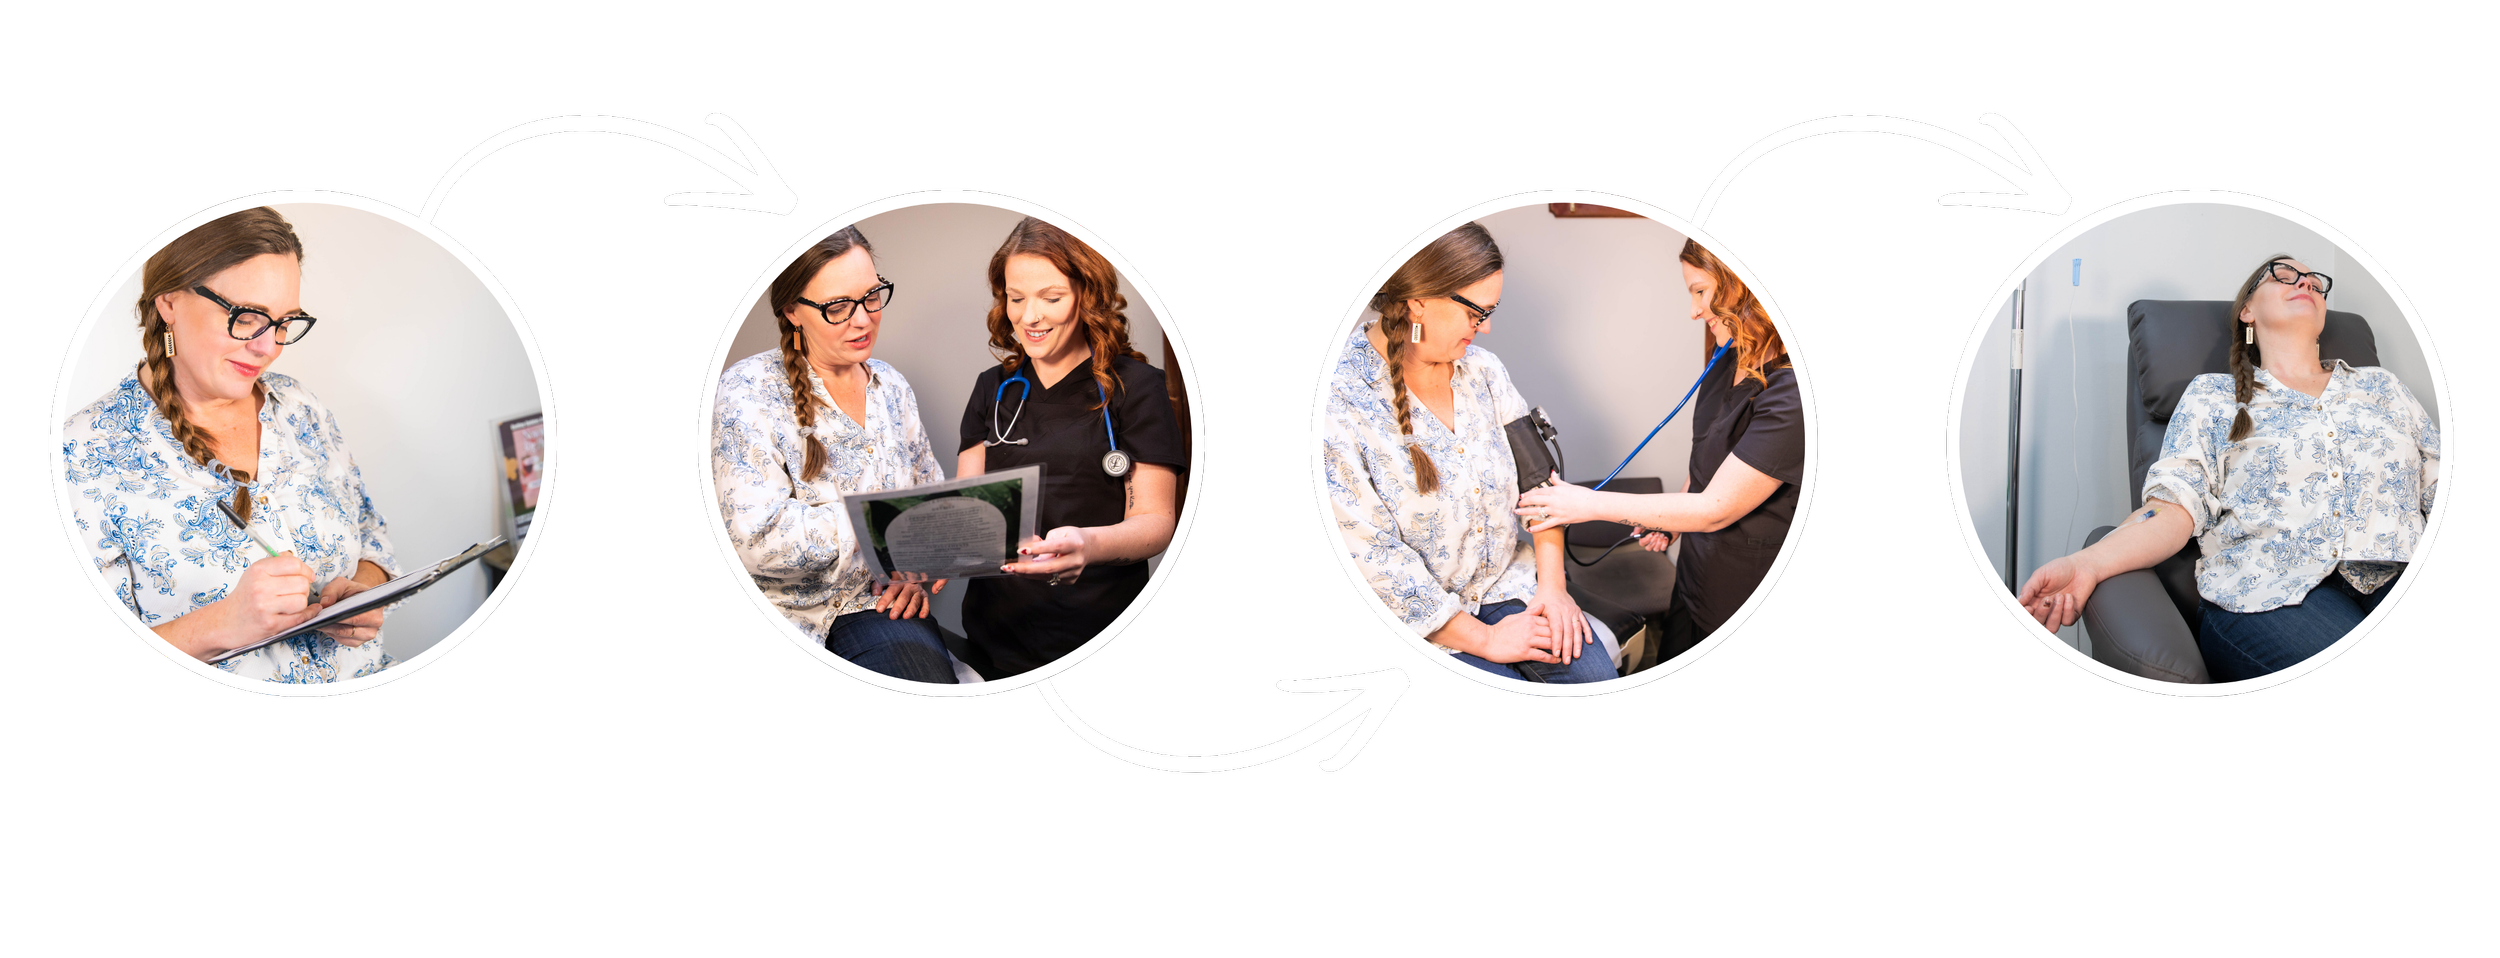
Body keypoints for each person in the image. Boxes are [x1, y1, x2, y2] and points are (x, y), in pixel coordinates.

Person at [2016, 255, 2438, 682]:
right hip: (2266, 594)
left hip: (2400, 571)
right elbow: (2173, 507)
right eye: (2284, 275)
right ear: (2247, 311)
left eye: (2314, 280)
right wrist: (2087, 564)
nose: (2306, 282)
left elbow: (2438, 483)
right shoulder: (2213, 398)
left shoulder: (2381, 387)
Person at [60, 207, 396, 681]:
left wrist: (363, 590)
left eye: (284, 321)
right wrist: (222, 623)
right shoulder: (80, 454)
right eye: (247, 316)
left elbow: (372, 535)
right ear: (169, 303)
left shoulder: (301, 406)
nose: (269, 347)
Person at [1321, 222, 1614, 683]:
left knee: (1596, 683)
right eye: (1478, 312)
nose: (1487, 328)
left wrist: (1554, 590)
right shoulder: (1338, 399)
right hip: (1423, 621)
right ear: (1419, 300)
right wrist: (1487, 640)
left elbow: (1540, 485)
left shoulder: (1486, 373)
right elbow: (1371, 557)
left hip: (1511, 585)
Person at [1513, 238, 1803, 648]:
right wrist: (1667, 523)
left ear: (1746, 286)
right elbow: (1708, 463)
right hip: (1694, 578)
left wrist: (1586, 504)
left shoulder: (1793, 394)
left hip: (1743, 590)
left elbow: (1715, 509)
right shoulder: (1728, 361)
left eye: (1701, 291)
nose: (1695, 311)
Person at [712, 227, 956, 683]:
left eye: (872, 296)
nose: (863, 320)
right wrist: (883, 524)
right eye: (838, 307)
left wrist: (922, 567)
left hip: (882, 603)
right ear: (792, 310)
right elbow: (755, 540)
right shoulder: (746, 391)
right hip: (792, 614)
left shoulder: (892, 386)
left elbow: (931, 496)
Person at [954, 218, 1183, 680]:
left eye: (1051, 298)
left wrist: (1089, 544)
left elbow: (1157, 523)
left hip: (1096, 636)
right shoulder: (993, 388)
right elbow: (968, 506)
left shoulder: (1135, 388)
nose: (1029, 317)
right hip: (993, 637)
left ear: (1088, 296)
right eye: (1015, 298)